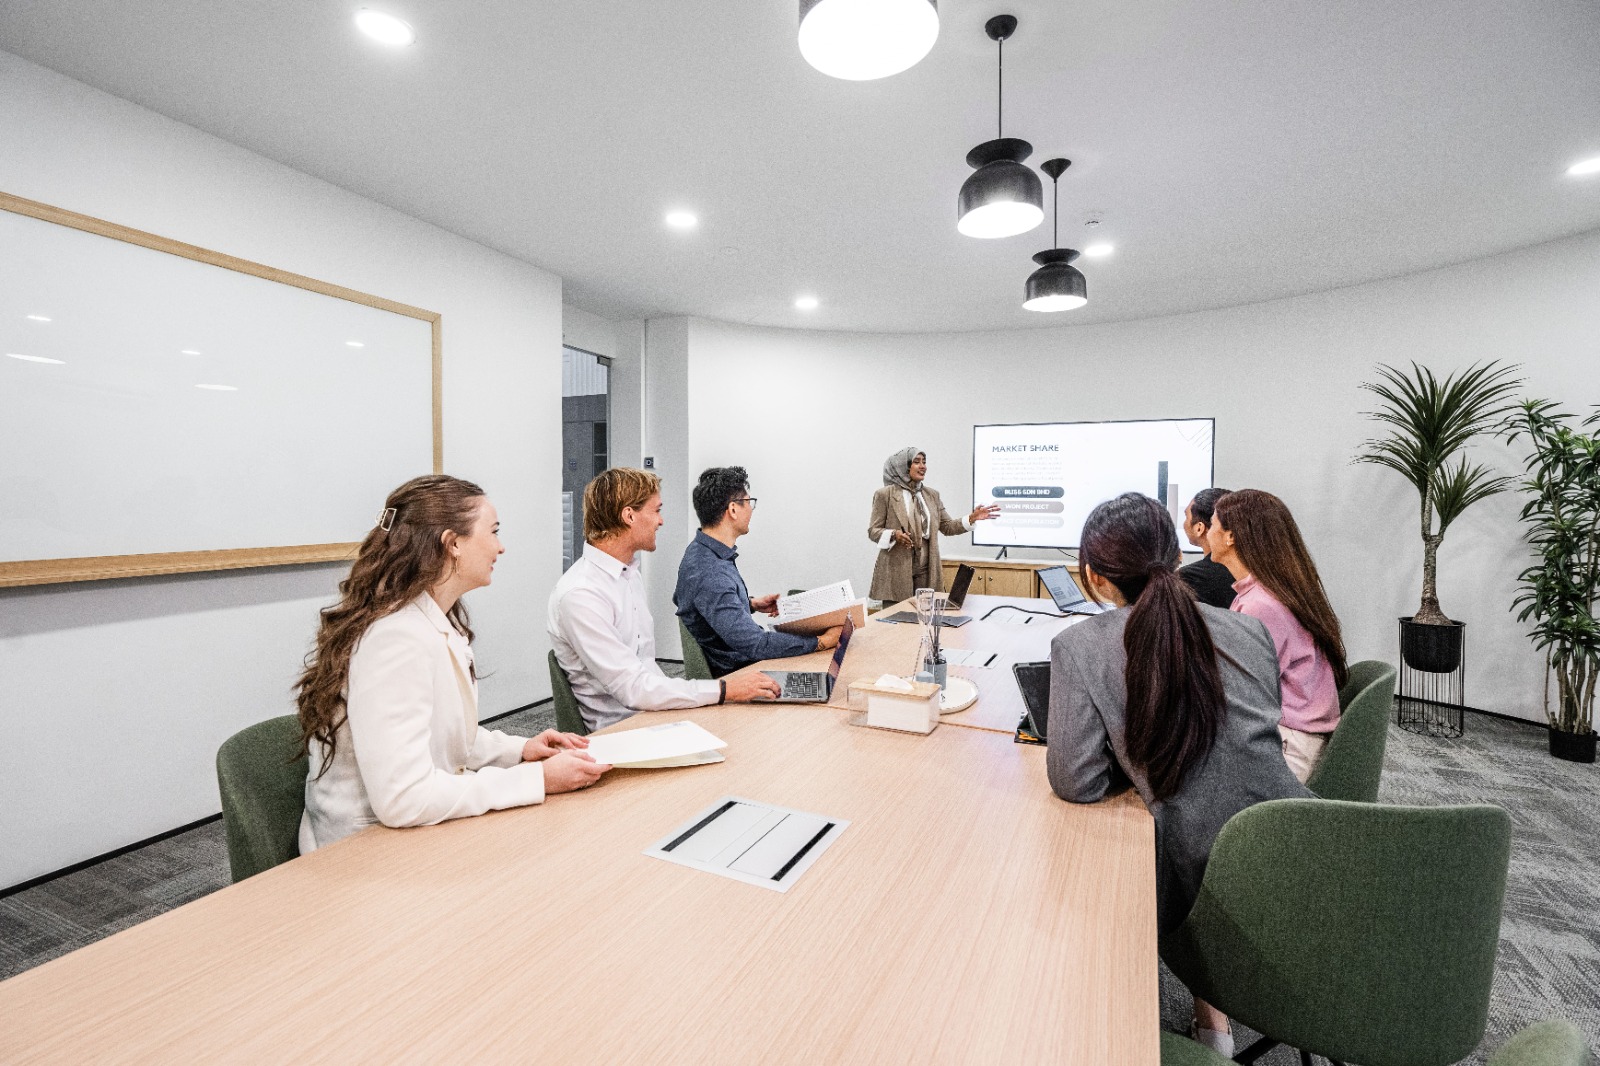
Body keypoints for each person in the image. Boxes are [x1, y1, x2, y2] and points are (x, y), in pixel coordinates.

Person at [1046, 492, 1311, 1057]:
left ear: (1092, 575)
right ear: (1173, 553)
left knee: (1085, 874)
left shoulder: (1081, 645)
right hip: (1303, 857)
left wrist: (1133, 760)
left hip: (1205, 893)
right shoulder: (1246, 631)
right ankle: (1210, 1020)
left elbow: (1076, 781)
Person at [296, 474, 609, 854]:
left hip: (408, 831)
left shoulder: (428, 619)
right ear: (453, 543)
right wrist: (536, 778)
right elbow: (403, 798)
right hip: (362, 849)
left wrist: (519, 751)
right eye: (492, 532)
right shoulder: (395, 638)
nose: (501, 547)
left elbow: (439, 736)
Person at [549, 467, 781, 732]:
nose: (661, 521)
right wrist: (724, 689)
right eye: (656, 510)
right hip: (623, 731)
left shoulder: (628, 575)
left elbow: (646, 670)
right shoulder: (581, 594)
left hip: (654, 715)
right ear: (629, 516)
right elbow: (633, 689)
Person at [1208, 488, 1348, 782]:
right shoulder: (1269, 592)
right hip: (1295, 734)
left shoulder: (1260, 605)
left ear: (1230, 536)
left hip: (1287, 748)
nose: (1207, 532)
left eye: (1212, 524)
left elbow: (1240, 696)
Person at [675, 466, 844, 676]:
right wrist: (821, 642)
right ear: (733, 510)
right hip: (741, 673)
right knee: (833, 670)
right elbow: (755, 644)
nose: (751, 509)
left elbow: (697, 604)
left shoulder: (699, 552)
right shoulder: (710, 571)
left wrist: (750, 604)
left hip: (741, 663)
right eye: (748, 502)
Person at [868, 447, 1000, 603]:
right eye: (917, 462)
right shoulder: (885, 495)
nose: (923, 466)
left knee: (925, 621)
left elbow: (948, 527)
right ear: (903, 466)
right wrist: (894, 535)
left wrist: (972, 518)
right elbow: (873, 531)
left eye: (924, 462)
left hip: (926, 571)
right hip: (896, 573)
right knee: (897, 622)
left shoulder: (932, 495)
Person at [1176, 487, 1236, 609]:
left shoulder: (1189, 577)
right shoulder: (1251, 571)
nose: (1184, 524)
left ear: (1199, 528)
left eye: (1186, 517)